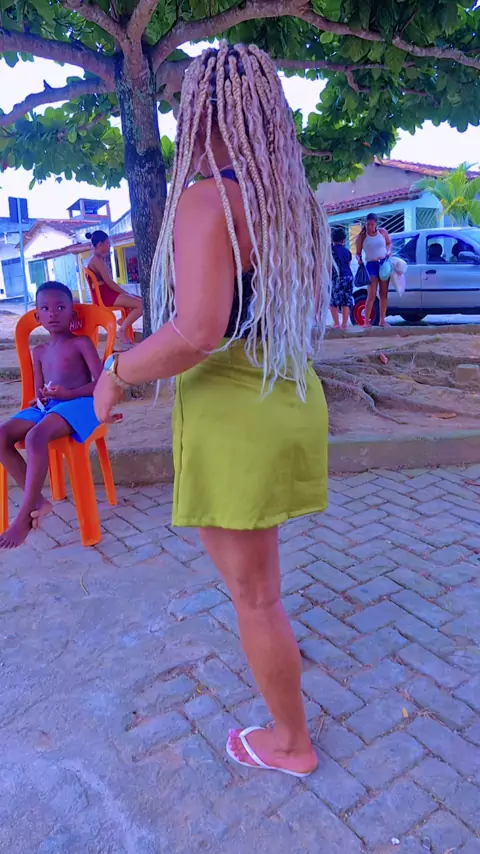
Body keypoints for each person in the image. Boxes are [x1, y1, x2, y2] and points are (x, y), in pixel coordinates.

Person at [94, 42, 330, 778]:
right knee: (258, 586)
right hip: (284, 395)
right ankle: (280, 652)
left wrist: (117, 373)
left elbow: (197, 331)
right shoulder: (286, 200)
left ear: (205, 113)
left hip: (235, 416)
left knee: (253, 596)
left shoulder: (208, 199)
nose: (178, 121)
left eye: (183, 107)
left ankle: (290, 743)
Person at [0, 281, 103, 549]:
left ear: (72, 313)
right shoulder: (39, 351)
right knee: (2, 435)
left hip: (80, 404)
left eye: (60, 307)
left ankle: (24, 516)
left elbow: (102, 383)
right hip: (50, 407)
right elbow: (39, 389)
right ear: (38, 316)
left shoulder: (81, 343)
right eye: (45, 309)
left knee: (36, 437)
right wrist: (41, 397)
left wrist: (68, 394)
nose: (53, 313)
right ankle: (38, 502)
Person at [86, 230, 142, 346]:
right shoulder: (95, 260)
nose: (109, 245)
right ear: (100, 244)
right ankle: (121, 331)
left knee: (141, 300)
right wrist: (126, 293)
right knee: (141, 305)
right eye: (107, 243)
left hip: (108, 293)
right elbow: (110, 283)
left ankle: (123, 321)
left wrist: (127, 294)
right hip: (105, 296)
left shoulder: (99, 259)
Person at [356, 212, 392, 327]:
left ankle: (382, 320)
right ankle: (366, 321)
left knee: (383, 293)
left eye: (372, 224)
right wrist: (359, 259)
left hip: (383, 264)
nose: (370, 227)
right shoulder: (362, 236)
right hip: (371, 265)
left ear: (376, 224)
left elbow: (389, 243)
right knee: (371, 293)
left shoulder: (382, 232)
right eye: (368, 224)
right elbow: (357, 253)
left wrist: (389, 252)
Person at [330, 226, 353, 329]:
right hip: (348, 277)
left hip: (337, 277)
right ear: (343, 240)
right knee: (346, 301)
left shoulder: (330, 251)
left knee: (333, 301)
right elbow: (348, 264)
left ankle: (336, 323)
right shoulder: (347, 251)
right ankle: (344, 324)